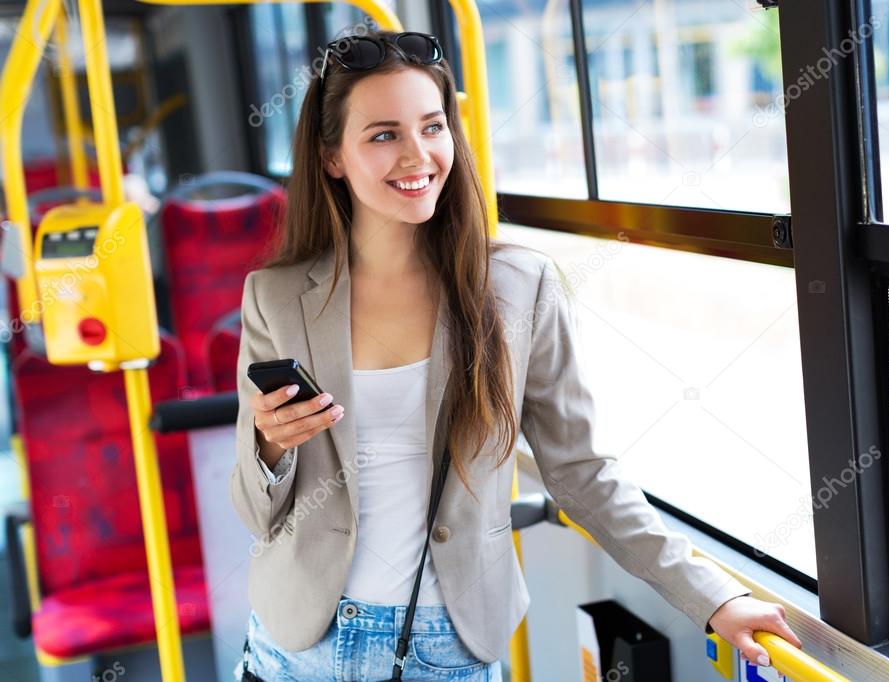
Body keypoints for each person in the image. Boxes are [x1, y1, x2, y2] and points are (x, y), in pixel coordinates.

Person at [230, 27, 802, 681]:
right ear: (332, 156)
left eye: (432, 127)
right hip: (298, 644)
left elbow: (580, 471)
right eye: (383, 134)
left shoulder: (516, 285)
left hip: (446, 648)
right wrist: (271, 447)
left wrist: (711, 596)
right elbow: (255, 512)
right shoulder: (276, 298)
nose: (418, 155)